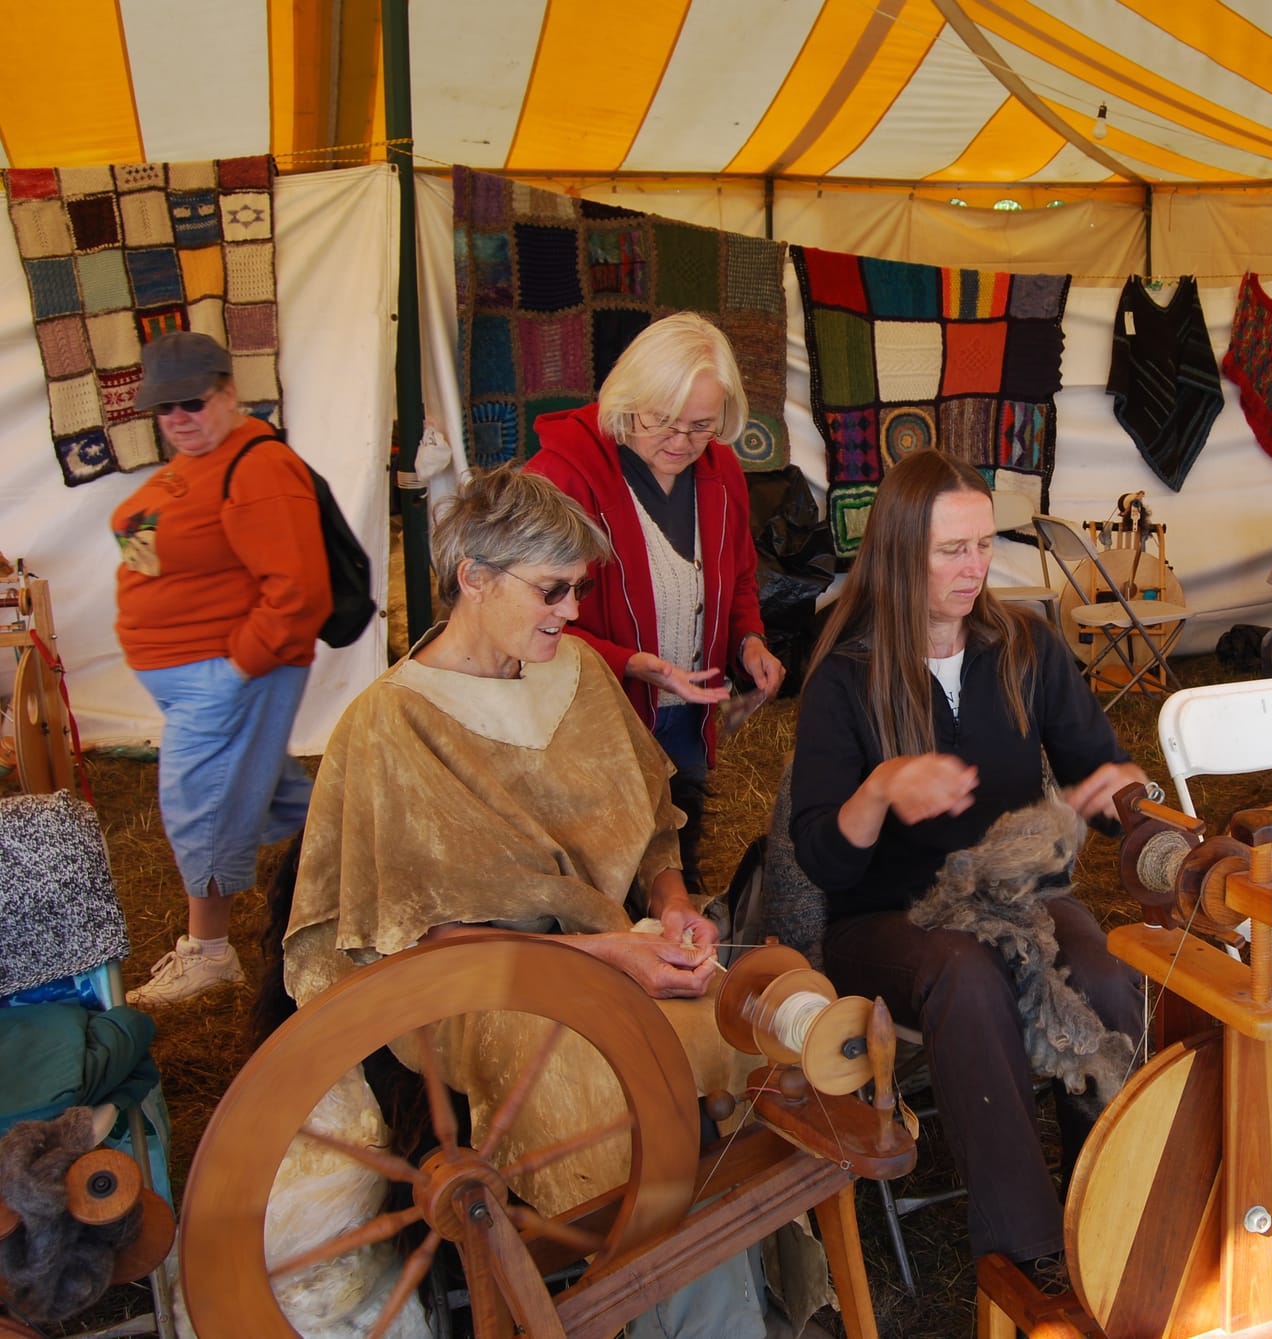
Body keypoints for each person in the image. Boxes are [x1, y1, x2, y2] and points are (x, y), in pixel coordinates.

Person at [283, 469, 789, 1336]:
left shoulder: (579, 671)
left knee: (738, 1019)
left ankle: (722, 1299)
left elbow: (654, 825)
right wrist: (612, 957)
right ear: (473, 577)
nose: (568, 611)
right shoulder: (388, 723)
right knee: (602, 1073)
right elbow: (432, 936)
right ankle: (658, 1306)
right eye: (551, 590)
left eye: (577, 590)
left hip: (607, 941)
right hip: (474, 987)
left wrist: (669, 907)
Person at [789, 451, 1147, 1288]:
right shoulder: (847, 677)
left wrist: (1121, 789)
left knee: (1097, 965)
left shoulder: (1024, 644)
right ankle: (1028, 1248)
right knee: (967, 975)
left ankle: (1118, 1197)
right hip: (887, 920)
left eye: (984, 544)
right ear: (899, 550)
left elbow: (1103, 760)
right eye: (950, 549)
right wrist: (879, 789)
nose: (973, 567)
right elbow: (820, 857)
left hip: (1014, 900)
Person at [527, 314, 784, 897]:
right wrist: (630, 664)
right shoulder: (563, 476)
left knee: (678, 862)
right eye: (660, 421)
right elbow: (531, 615)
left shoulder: (720, 473)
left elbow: (739, 574)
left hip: (683, 713)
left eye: (700, 426)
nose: (680, 442)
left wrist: (749, 641)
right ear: (626, 399)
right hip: (590, 725)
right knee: (600, 879)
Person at [110, 332, 331, 1007]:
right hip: (200, 675)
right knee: (274, 798)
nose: (179, 417)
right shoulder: (197, 462)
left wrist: (237, 668)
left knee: (198, 803)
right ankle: (352, 872)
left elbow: (300, 590)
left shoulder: (257, 468)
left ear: (229, 391)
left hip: (227, 674)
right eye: (164, 407)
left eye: (192, 402)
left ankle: (210, 951)